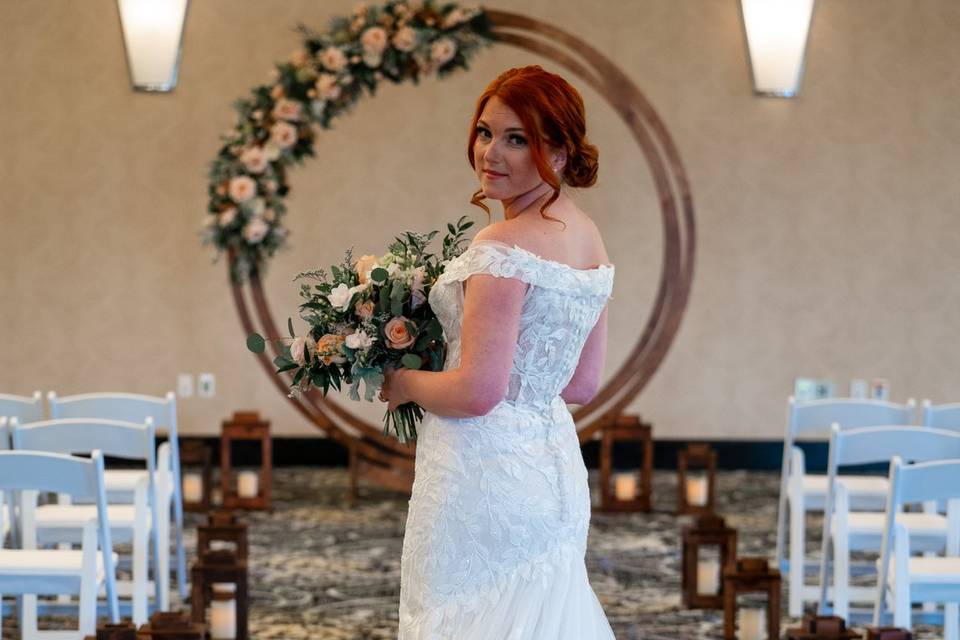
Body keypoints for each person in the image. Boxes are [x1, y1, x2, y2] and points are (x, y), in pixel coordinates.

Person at [381, 65, 616, 639]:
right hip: (554, 475)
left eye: (518, 139)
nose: (491, 153)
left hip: (481, 480)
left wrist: (401, 383)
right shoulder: (589, 238)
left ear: (559, 152)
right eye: (486, 132)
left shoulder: (501, 245)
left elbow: (477, 392)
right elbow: (582, 384)